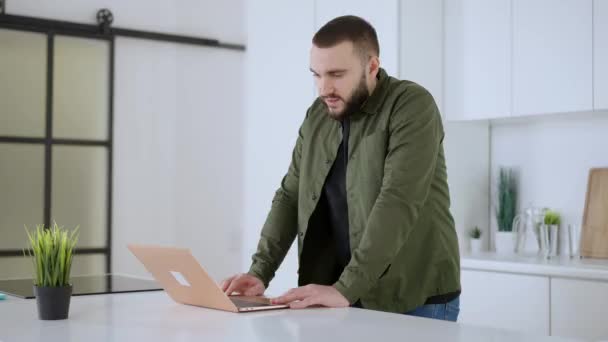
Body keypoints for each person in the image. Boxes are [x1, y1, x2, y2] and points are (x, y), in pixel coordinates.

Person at [221, 15, 461, 322]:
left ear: (372, 66)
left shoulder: (411, 105)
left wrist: (347, 288)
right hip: (340, 294)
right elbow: (290, 196)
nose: (324, 88)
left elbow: (398, 202)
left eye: (336, 74)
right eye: (316, 75)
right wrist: (259, 272)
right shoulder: (318, 116)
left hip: (414, 297)